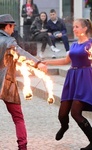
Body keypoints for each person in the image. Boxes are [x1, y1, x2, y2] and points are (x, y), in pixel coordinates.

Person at [42, 18, 92, 150]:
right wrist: (48, 62)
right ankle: (64, 126)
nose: (74, 29)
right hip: (72, 77)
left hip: (84, 78)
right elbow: (65, 60)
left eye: (77, 27)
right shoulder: (73, 45)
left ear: (85, 28)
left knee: (75, 112)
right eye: (73, 27)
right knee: (62, 114)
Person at [0, 14, 47, 150]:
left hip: (6, 83)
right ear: (7, 26)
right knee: (18, 117)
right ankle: (22, 146)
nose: (13, 29)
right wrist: (37, 63)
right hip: (6, 84)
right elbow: (21, 53)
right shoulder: (9, 41)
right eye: (12, 26)